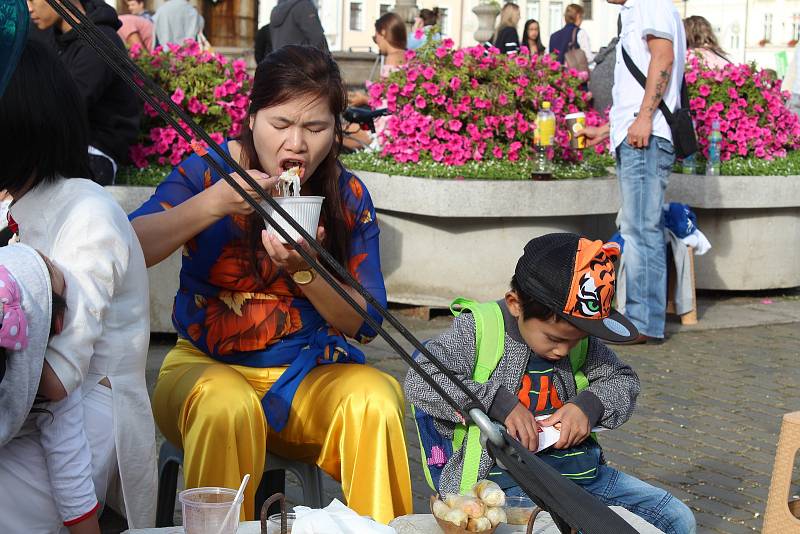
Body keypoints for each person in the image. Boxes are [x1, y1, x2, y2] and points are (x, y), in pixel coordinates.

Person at [129, 45, 412, 524]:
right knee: (225, 404)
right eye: (281, 125)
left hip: (307, 375)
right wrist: (214, 204)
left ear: (336, 130)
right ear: (253, 117)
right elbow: (127, 246)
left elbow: (365, 323)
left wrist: (306, 269)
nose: (296, 145)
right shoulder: (207, 171)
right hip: (203, 364)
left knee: (378, 398)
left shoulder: (346, 194)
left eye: (316, 128)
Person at [404, 233, 696, 534]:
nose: (563, 351)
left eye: (576, 340)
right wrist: (498, 404)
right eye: (555, 339)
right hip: (501, 489)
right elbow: (421, 378)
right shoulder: (479, 329)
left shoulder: (578, 340)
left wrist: (588, 406)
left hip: (583, 479)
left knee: (677, 518)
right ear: (516, 304)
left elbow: (623, 380)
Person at [0, 40, 156, 530]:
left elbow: (57, 379)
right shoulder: (12, 202)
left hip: (85, 412)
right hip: (23, 411)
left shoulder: (87, 213)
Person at [581, 0, 687, 344]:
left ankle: (643, 323)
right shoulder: (636, 10)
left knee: (641, 229)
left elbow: (663, 57)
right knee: (638, 227)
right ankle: (641, 320)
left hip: (647, 135)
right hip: (639, 133)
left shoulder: (649, 4)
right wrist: (609, 130)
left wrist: (643, 118)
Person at [0, 244, 101, 534]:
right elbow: (71, 468)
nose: (50, 257)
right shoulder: (52, 389)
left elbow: (70, 469)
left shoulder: (54, 390)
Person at [26, 0, 140, 186]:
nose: (29, 8)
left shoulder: (101, 40)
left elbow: (63, 106)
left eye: (33, 0)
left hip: (93, 152)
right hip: (56, 146)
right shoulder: (48, 38)